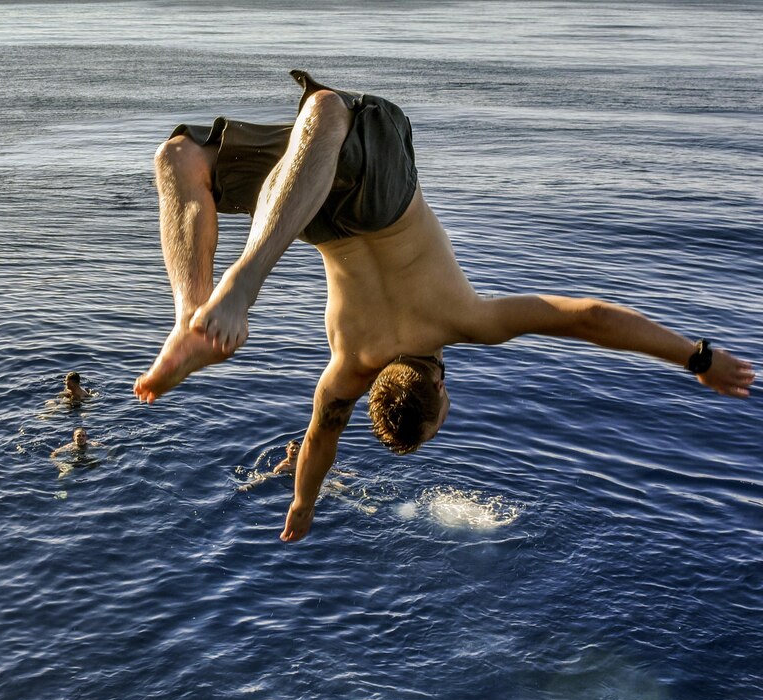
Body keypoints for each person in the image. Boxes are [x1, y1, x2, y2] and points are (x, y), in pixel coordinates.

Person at [132, 70, 755, 544]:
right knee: (186, 157)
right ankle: (200, 306)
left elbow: (587, 317)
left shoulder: (466, 322)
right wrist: (302, 506)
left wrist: (696, 357)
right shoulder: (347, 369)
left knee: (319, 115)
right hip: (326, 216)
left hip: (329, 199)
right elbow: (320, 442)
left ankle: (207, 305)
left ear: (441, 391)